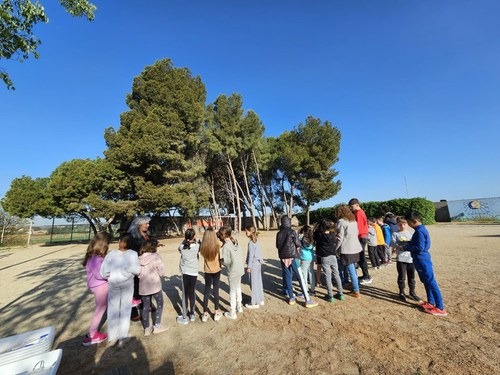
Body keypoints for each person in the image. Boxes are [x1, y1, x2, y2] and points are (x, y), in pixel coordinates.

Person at [402, 212, 447, 316]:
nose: (408, 225)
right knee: (426, 281)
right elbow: (420, 244)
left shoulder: (419, 231)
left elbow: (420, 247)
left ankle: (440, 307)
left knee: (431, 282)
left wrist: (405, 247)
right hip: (420, 259)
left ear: (415, 221)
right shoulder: (420, 230)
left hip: (422, 259)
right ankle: (431, 302)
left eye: (409, 222)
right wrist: (409, 243)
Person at [100, 234, 141, 347]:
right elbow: (137, 270)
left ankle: (112, 337)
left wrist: (111, 276)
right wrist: (128, 272)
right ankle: (122, 336)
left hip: (113, 283)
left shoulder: (111, 254)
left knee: (112, 309)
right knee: (125, 309)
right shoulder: (133, 254)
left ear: (119, 241)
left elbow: (103, 272)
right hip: (127, 284)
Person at [276, 216, 318, 308]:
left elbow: (277, 245)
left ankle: (291, 298)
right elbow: (298, 243)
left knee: (287, 277)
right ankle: (307, 300)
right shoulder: (292, 232)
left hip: (283, 258)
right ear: (289, 223)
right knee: (300, 277)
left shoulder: (279, 233)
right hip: (293, 257)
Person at [82, 232, 112, 346]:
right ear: (102, 245)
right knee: (100, 309)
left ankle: (92, 333)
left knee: (102, 307)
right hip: (100, 286)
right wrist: (111, 274)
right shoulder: (96, 259)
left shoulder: (92, 256)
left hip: (97, 286)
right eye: (107, 244)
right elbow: (100, 274)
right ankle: (92, 334)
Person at [139, 240, 167, 335]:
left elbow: (137, 272)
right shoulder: (156, 256)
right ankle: (157, 326)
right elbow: (162, 271)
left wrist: (140, 277)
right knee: (160, 304)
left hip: (144, 287)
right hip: (155, 286)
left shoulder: (139, 258)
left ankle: (146, 328)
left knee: (145, 307)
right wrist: (160, 276)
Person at [391, 217, 421, 303]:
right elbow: (392, 243)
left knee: (412, 277)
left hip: (411, 259)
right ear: (397, 224)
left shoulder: (411, 234)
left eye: (404, 224)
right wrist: (399, 246)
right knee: (401, 276)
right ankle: (401, 292)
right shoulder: (395, 234)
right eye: (400, 224)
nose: (402, 226)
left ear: (407, 224)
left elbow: (415, 244)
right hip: (401, 258)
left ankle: (412, 292)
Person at [335, 205, 363, 298]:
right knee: (352, 269)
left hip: (347, 249)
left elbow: (340, 238)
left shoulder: (341, 222)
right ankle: (351, 284)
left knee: (351, 269)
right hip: (355, 248)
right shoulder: (353, 220)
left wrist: (335, 249)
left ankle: (356, 290)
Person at [314, 220, 344, 303]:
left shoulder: (319, 235)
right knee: (336, 274)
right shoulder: (333, 235)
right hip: (333, 256)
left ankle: (330, 295)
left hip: (324, 257)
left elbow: (315, 233)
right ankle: (340, 293)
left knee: (328, 276)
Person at [199, 227, 223, 322]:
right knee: (216, 289)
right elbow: (221, 240)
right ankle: (216, 312)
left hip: (207, 271)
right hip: (217, 269)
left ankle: (205, 313)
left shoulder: (202, 246)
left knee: (207, 290)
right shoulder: (217, 244)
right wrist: (215, 233)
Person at [177, 228, 200, 324]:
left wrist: (186, 240)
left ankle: (185, 315)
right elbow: (199, 242)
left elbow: (180, 247)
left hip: (185, 272)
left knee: (185, 294)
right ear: (193, 236)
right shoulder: (197, 246)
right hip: (193, 272)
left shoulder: (181, 247)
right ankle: (192, 314)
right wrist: (196, 239)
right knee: (192, 293)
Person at [348, 198, 372, 284]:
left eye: (352, 206)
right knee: (360, 258)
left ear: (357, 205)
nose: (351, 208)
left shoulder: (359, 213)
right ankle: (365, 275)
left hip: (361, 237)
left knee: (361, 257)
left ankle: (367, 276)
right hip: (362, 236)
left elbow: (359, 228)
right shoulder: (360, 212)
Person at [244, 225, 265, 309]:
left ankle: (254, 302)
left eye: (246, 231)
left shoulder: (251, 243)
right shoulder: (257, 241)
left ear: (250, 232)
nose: (246, 233)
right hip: (258, 263)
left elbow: (251, 256)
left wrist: (248, 267)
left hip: (253, 264)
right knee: (258, 282)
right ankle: (260, 299)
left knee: (253, 283)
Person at [299, 225, 316, 296]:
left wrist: (299, 233)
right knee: (311, 272)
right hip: (311, 257)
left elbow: (297, 240)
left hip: (304, 258)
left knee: (303, 274)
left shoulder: (302, 239)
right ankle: (312, 289)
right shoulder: (313, 239)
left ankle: (305, 290)